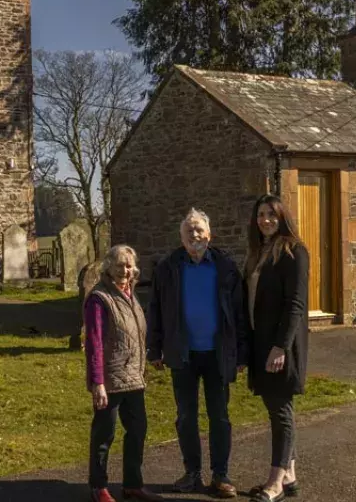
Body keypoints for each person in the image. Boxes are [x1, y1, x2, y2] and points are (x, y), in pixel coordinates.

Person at [146, 209, 248, 499]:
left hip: (218, 353)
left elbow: (239, 314)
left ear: (209, 234)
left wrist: (241, 353)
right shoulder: (167, 268)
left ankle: (220, 475)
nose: (194, 235)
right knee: (186, 416)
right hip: (182, 354)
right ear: (181, 237)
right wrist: (154, 347)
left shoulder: (226, 266)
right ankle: (192, 473)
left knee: (220, 417)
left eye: (199, 230)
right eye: (189, 231)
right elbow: (155, 309)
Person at [84, 245, 164, 502]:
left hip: (134, 378)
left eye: (128, 265)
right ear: (108, 267)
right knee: (104, 435)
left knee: (138, 430)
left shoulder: (131, 294)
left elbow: (137, 333)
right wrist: (97, 383)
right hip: (110, 380)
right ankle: (98, 487)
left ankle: (132, 484)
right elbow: (94, 342)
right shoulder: (99, 298)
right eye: (119, 265)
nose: (124, 270)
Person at [245, 195, 309, 502]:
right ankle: (290, 474)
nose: (265, 219)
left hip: (280, 346)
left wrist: (280, 346)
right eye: (260, 214)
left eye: (271, 214)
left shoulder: (294, 250)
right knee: (279, 409)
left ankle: (275, 481)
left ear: (282, 216)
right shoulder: (258, 253)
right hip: (261, 343)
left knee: (280, 411)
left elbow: (295, 304)